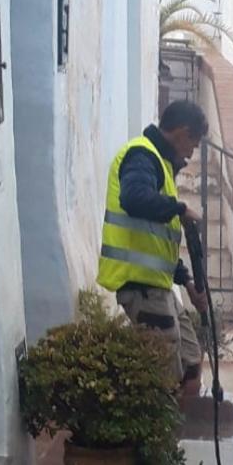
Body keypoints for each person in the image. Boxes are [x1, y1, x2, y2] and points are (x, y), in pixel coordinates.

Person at [97, 101, 210, 386]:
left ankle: (182, 423)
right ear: (182, 133)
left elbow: (158, 244)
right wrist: (180, 209)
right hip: (140, 286)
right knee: (165, 370)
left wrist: (187, 283)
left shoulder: (160, 165)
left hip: (157, 285)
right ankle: (162, 427)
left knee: (190, 358)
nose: (190, 153)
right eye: (192, 145)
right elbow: (134, 198)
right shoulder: (142, 156)